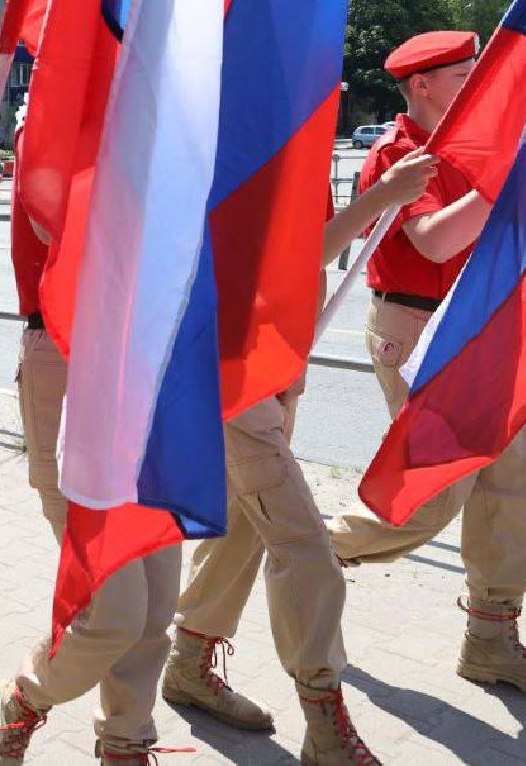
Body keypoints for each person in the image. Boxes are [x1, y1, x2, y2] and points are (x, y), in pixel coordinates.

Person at [327, 30, 526, 704]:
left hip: (476, 327)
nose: (477, 87)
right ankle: (310, 551)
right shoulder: (395, 155)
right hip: (416, 330)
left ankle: (491, 643)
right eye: (462, 77)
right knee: (433, 493)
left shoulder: (470, 147)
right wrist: (510, 175)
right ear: (421, 86)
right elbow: (434, 236)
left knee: (512, 482)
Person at [157, 151, 437, 765]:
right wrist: (382, 195)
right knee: (307, 551)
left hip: (270, 373)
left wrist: (293, 378)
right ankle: (322, 714)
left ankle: (189, 660)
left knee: (244, 532)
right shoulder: (236, 140)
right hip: (228, 377)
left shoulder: (291, 140)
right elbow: (277, 264)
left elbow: (299, 280)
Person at [0, 116, 184, 764]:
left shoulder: (158, 99)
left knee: (154, 603)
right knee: (114, 608)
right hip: (71, 358)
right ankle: (20, 700)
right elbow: (56, 221)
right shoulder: (52, 108)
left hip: (147, 359)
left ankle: (124, 741)